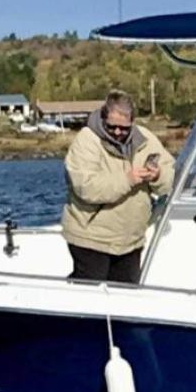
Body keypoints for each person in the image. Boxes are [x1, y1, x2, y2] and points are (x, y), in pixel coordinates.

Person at [62, 89, 174, 284]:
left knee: (126, 296)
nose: (117, 132)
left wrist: (157, 176)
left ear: (132, 122)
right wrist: (128, 180)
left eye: (123, 128)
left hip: (131, 242)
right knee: (89, 296)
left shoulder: (147, 139)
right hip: (91, 239)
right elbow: (86, 187)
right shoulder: (86, 140)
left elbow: (169, 175)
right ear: (103, 117)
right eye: (111, 126)